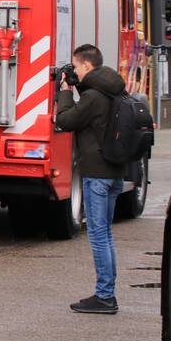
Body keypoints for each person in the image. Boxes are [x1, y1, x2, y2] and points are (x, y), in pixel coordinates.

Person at [55, 44, 127, 314]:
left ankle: (105, 296)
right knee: (105, 234)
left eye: (75, 67)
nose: (73, 71)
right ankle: (107, 293)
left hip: (97, 174)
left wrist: (64, 92)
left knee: (98, 235)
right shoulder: (113, 88)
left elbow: (67, 120)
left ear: (86, 66)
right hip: (114, 171)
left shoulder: (95, 96)